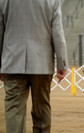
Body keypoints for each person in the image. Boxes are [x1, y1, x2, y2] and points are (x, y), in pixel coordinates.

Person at [0, 0, 68, 132]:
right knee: (42, 107)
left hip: (12, 63)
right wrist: (62, 63)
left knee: (13, 108)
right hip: (41, 64)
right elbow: (58, 35)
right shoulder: (52, 2)